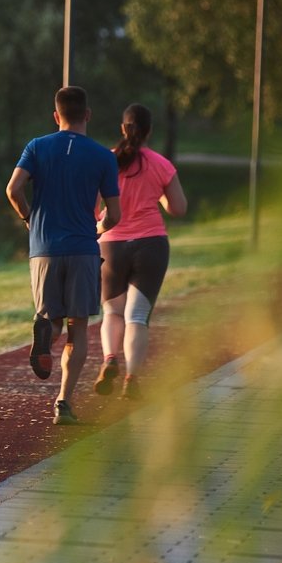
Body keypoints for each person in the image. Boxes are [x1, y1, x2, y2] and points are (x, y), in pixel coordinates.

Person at [5, 86, 121, 426]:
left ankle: (46, 337)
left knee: (52, 317)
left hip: (43, 249)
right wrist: (99, 227)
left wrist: (29, 219)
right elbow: (114, 213)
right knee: (80, 326)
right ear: (87, 114)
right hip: (83, 248)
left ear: (56, 116)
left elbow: (13, 189)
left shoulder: (37, 147)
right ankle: (63, 404)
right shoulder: (103, 156)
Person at [93, 104, 187, 401]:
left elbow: (94, 210)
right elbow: (178, 208)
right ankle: (132, 377)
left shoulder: (104, 161)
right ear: (149, 131)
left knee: (112, 312)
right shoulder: (160, 163)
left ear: (123, 128)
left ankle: (110, 358)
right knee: (137, 316)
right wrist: (156, 193)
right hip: (152, 245)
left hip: (111, 244)